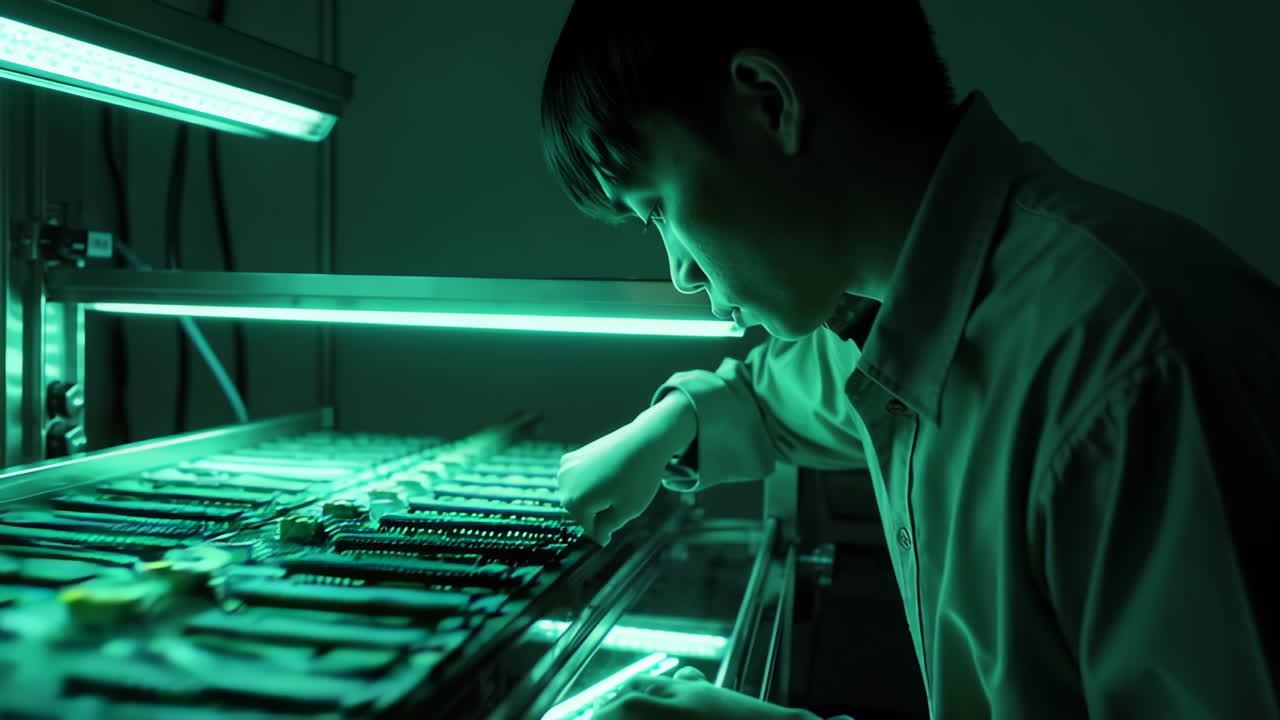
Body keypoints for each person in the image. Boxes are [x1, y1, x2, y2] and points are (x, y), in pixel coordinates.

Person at [540, 1, 1280, 718]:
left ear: (769, 103)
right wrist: (674, 421)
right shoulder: (911, 308)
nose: (680, 273)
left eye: (658, 208)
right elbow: (797, 389)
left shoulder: (1132, 376)